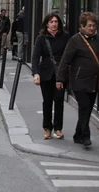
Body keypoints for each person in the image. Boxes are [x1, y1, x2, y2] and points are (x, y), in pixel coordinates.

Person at [57, 12, 99, 147]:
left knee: (87, 109)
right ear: (82, 26)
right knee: (85, 107)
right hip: (79, 81)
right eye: (90, 26)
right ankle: (86, 136)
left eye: (94, 25)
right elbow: (65, 60)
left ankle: (77, 134)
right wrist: (60, 78)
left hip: (95, 81)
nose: (92, 28)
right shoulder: (75, 40)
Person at [31, 12, 70, 140]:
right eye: (51, 22)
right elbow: (36, 57)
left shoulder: (65, 37)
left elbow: (68, 56)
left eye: (56, 22)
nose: (54, 24)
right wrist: (36, 73)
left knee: (59, 100)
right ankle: (47, 128)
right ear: (47, 23)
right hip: (46, 73)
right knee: (47, 101)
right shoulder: (41, 38)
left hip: (60, 73)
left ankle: (58, 129)